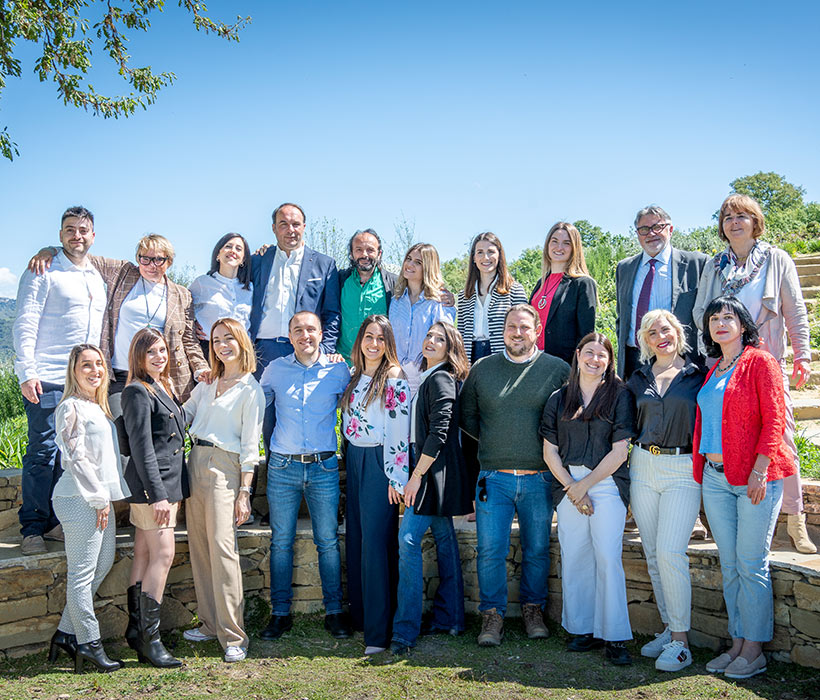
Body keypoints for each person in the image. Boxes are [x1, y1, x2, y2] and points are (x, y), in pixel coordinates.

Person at [693, 194, 815, 554]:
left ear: (755, 222)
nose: (734, 222)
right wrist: (708, 359)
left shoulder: (776, 260)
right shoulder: (714, 266)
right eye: (728, 217)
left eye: (742, 216)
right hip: (725, 365)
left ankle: (795, 520)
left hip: (766, 364)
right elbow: (702, 310)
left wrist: (803, 355)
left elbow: (795, 311)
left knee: (783, 439)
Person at [459, 304, 570, 646]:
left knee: (536, 549)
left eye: (524, 327)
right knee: (491, 550)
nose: (517, 332)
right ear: (502, 330)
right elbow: (468, 418)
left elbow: (568, 420)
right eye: (511, 326)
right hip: (494, 477)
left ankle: (533, 609)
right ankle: (491, 616)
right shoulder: (483, 369)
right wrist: (499, 441)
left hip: (540, 478)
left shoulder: (557, 370)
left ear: (537, 329)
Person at [695, 296, 793, 679]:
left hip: (755, 478)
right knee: (731, 564)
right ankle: (737, 642)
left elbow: (775, 419)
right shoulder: (714, 368)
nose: (720, 323)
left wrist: (760, 470)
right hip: (717, 480)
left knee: (752, 565)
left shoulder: (759, 361)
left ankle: (754, 649)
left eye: (728, 317)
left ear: (743, 323)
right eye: (714, 318)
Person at [13, 206, 106, 555]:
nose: (77, 235)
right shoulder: (44, 269)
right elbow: (25, 320)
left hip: (83, 382)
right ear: (60, 234)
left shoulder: (97, 275)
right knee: (42, 450)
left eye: (83, 230)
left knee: (68, 454)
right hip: (48, 376)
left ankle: (54, 523)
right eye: (70, 229)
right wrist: (27, 371)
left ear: (93, 235)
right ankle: (32, 527)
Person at [541, 333, 635, 665]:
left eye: (603, 355)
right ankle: (582, 629)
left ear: (610, 362)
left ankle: (614, 636)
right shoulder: (559, 397)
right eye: (590, 352)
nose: (595, 359)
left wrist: (585, 486)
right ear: (578, 354)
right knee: (576, 555)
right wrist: (571, 486)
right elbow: (550, 451)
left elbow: (620, 451)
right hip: (567, 482)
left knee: (607, 557)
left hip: (606, 482)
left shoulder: (620, 395)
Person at [257, 311, 352, 641]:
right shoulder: (275, 370)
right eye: (298, 330)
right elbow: (253, 403)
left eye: (310, 329)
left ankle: (335, 612)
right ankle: (279, 614)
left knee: (327, 541)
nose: (305, 335)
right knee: (280, 542)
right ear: (290, 335)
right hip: (283, 467)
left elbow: (360, 401)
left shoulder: (339, 370)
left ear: (321, 332)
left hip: (324, 467)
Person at [28, 233, 210, 402]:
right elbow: (82, 255)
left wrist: (200, 368)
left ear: (169, 261)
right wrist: (52, 251)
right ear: (138, 259)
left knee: (162, 435)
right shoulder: (124, 273)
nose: (151, 265)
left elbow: (189, 339)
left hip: (164, 377)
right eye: (145, 259)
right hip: (122, 375)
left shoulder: (182, 295)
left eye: (158, 260)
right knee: (120, 431)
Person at [626, 310, 706, 671]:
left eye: (666, 329)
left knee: (672, 553)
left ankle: (681, 642)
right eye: (652, 332)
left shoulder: (698, 373)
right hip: (643, 465)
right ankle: (668, 628)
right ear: (644, 340)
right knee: (654, 554)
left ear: (678, 333)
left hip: (682, 468)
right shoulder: (637, 377)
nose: (661, 336)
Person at [182, 318, 264, 663]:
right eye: (216, 340)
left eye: (228, 338)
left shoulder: (250, 389)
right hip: (194, 460)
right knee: (199, 547)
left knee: (222, 548)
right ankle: (209, 623)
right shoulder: (207, 382)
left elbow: (250, 447)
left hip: (224, 467)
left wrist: (245, 492)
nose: (221, 345)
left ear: (241, 342)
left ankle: (234, 636)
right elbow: (181, 415)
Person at [390, 321, 472, 656]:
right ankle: (451, 618)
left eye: (440, 338)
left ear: (450, 348)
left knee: (408, 540)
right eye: (429, 336)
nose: (431, 341)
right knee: (444, 539)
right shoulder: (429, 376)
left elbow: (439, 432)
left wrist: (416, 476)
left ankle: (405, 630)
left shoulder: (440, 378)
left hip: (430, 470)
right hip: (431, 468)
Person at [49, 343, 130, 673]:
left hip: (99, 501)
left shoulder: (97, 407)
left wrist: (104, 499)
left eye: (99, 364)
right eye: (87, 365)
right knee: (82, 576)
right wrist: (98, 499)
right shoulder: (70, 408)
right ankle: (90, 645)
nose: (95, 370)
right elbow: (76, 459)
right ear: (74, 370)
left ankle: (66, 634)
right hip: (78, 499)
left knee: (103, 563)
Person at [340, 315, 411, 654]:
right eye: (369, 336)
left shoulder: (394, 378)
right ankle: (361, 616)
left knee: (375, 547)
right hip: (355, 460)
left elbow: (399, 431)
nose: (373, 344)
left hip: (381, 465)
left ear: (388, 344)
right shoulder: (357, 376)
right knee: (356, 539)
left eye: (381, 339)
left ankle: (378, 633)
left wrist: (396, 479)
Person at [248, 202, 341, 455]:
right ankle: (273, 479)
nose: (290, 230)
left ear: (304, 227)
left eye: (296, 224)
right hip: (262, 352)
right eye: (283, 224)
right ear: (274, 229)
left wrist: (325, 351)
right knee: (265, 420)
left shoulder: (324, 264)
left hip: (304, 351)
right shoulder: (258, 261)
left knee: (306, 416)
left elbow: (332, 314)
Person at [121, 328, 188, 669]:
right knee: (163, 554)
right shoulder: (136, 391)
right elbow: (141, 448)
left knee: (145, 554)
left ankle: (136, 631)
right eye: (152, 352)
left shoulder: (161, 385)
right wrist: (157, 496)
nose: (160, 356)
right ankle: (151, 640)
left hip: (166, 486)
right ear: (139, 357)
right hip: (153, 488)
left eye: (163, 350)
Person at [615, 206, 707, 379]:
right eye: (644, 229)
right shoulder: (624, 268)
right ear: (637, 234)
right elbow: (622, 316)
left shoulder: (697, 264)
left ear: (670, 230)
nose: (651, 234)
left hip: (680, 360)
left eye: (658, 227)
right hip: (635, 361)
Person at [389, 243, 455, 392]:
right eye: (408, 259)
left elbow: (444, 343)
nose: (410, 264)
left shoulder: (439, 302)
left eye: (418, 262)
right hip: (396, 376)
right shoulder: (395, 301)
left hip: (424, 377)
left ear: (428, 268)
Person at [529, 223, 597, 364]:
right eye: (554, 241)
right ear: (548, 244)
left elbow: (586, 335)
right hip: (533, 360)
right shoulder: (540, 283)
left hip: (563, 363)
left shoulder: (582, 283)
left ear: (574, 248)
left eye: (566, 243)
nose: (559, 247)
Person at [457, 232, 528, 363]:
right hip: (470, 357)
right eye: (480, 252)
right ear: (473, 258)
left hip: (502, 355)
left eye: (491, 252)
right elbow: (460, 334)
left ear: (499, 255)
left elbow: (524, 328)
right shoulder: (463, 296)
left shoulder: (514, 290)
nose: (485, 257)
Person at [337, 229, 398, 363]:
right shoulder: (338, 280)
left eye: (370, 250)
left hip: (378, 363)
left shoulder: (394, 284)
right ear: (352, 254)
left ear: (379, 253)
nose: (364, 255)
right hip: (343, 362)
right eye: (358, 249)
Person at [189, 233, 253, 355]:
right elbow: (182, 310)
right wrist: (192, 325)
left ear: (243, 259)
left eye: (238, 249)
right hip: (209, 351)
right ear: (218, 254)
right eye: (228, 246)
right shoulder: (202, 283)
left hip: (241, 352)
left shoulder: (250, 288)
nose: (233, 251)